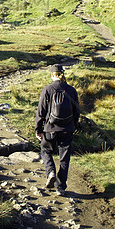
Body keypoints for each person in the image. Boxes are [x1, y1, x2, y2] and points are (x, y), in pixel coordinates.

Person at [35, 64, 80, 194]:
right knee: (64, 158)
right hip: (67, 129)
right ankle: (61, 187)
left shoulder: (47, 89)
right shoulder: (71, 90)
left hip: (50, 128)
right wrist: (73, 126)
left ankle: (50, 172)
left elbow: (41, 111)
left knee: (45, 150)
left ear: (52, 75)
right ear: (62, 74)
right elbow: (77, 111)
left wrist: (38, 128)